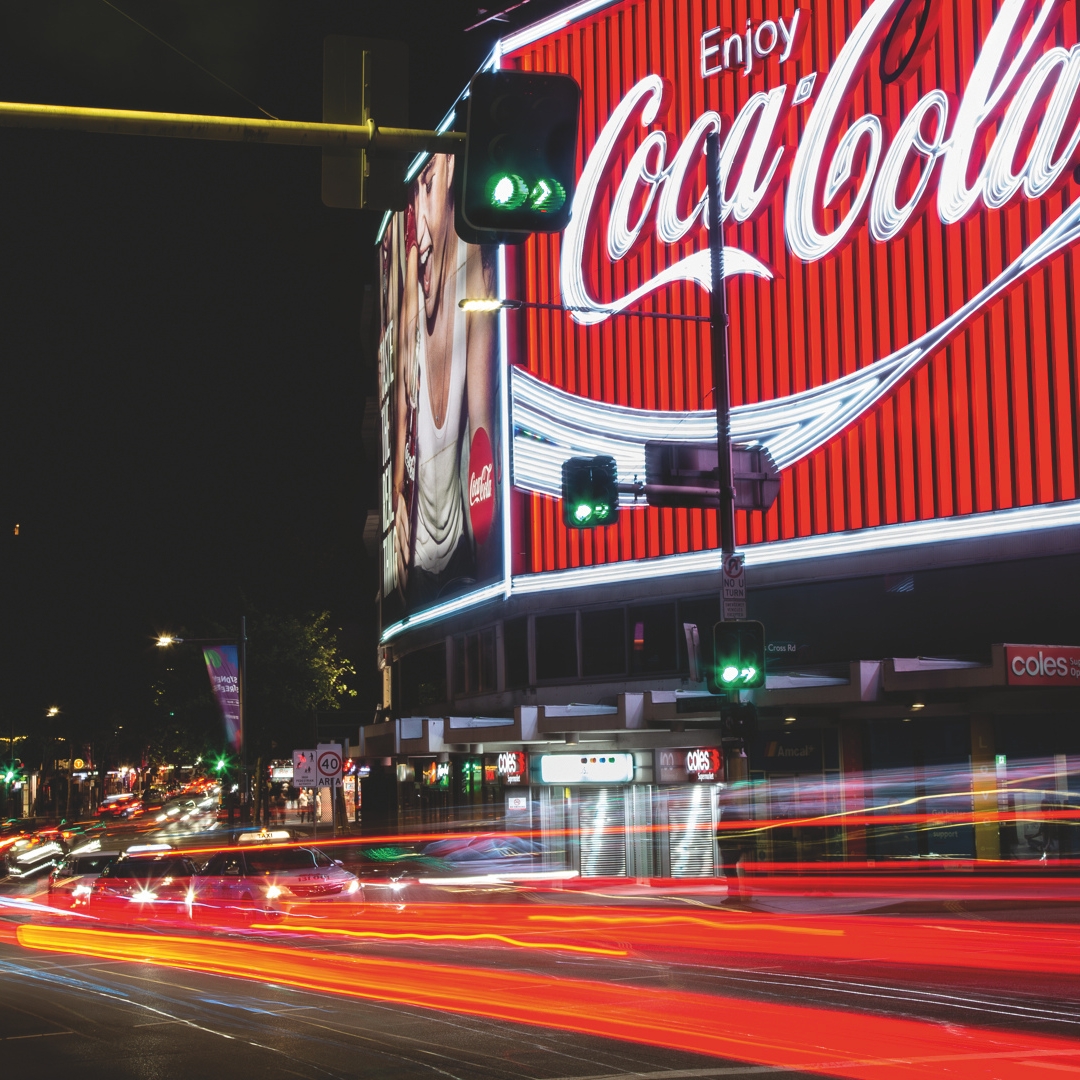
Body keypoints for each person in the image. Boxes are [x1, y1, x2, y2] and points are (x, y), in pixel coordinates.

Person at [392, 152, 498, 610]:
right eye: (415, 193)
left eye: (428, 184)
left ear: (452, 171)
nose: (420, 209)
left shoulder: (476, 274)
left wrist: (493, 567)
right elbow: (399, 412)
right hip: (411, 562)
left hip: (458, 556)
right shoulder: (411, 288)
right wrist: (397, 497)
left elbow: (483, 430)